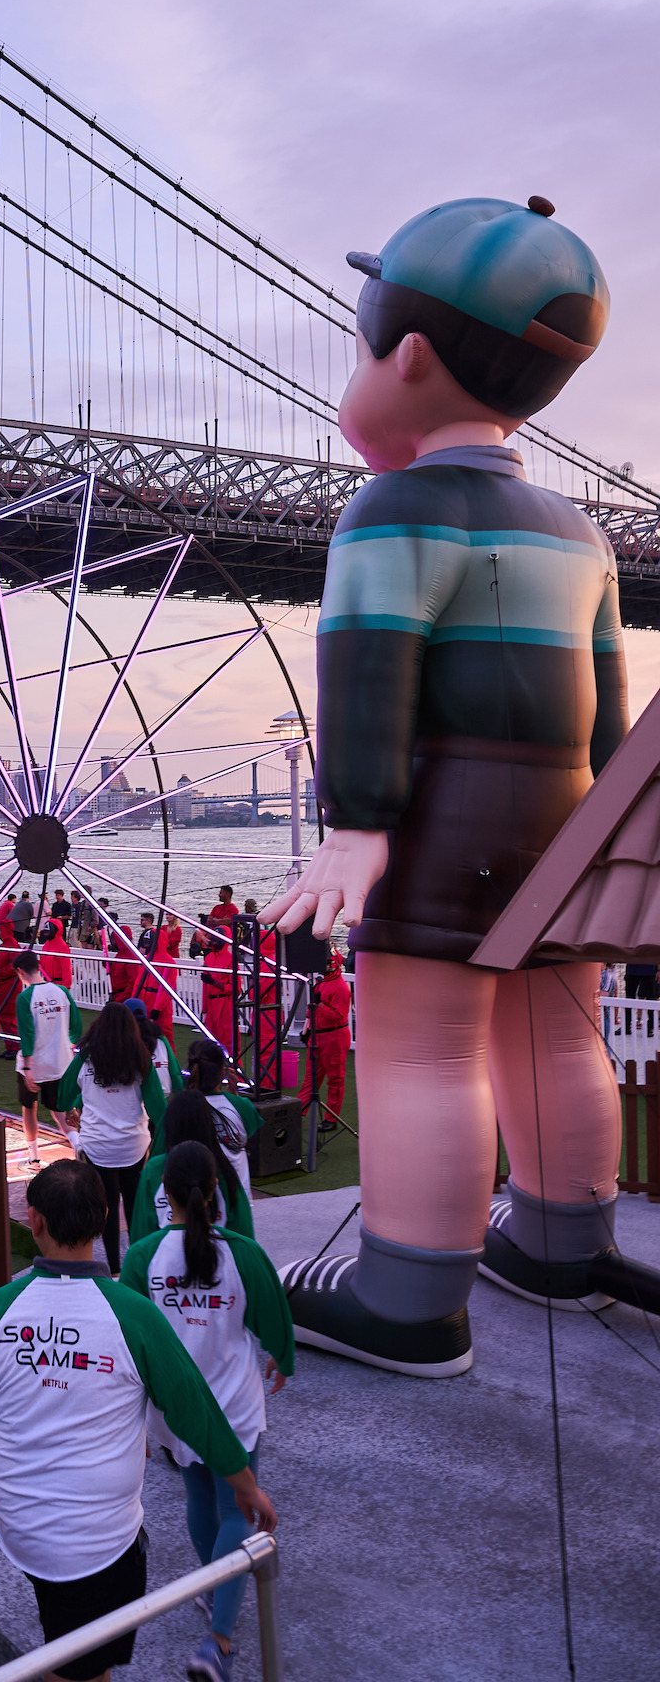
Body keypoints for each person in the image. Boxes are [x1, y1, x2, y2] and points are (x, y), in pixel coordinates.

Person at [266, 196, 630, 1373]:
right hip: (572, 824)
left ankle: (414, 1298)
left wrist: (358, 830)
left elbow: (371, 673)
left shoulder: (389, 512)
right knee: (562, 1032)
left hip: (443, 822)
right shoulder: (584, 533)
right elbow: (611, 712)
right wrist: (618, 852)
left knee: (422, 1050)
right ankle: (567, 1248)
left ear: (406, 357)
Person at [0, 1160, 275, 1682]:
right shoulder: (132, 1314)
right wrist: (243, 1482)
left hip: (19, 1524)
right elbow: (194, 1410)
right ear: (105, 1221)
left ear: (34, 1221)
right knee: (78, 1667)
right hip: (96, 1540)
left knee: (72, 1643)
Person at [121, 1143, 293, 1682]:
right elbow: (276, 1319)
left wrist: (136, 1416)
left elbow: (127, 1343)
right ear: (216, 1190)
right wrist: (282, 1359)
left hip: (172, 1414)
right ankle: (217, 1643)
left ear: (163, 1192)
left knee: (199, 1497)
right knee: (238, 1511)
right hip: (235, 1407)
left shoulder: (142, 1257)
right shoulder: (242, 1252)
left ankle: (213, 1588)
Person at [55, 1002, 166, 1275]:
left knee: (106, 1207)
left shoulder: (85, 1058)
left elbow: (61, 1097)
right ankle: (137, 1269)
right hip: (134, 1145)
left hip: (97, 1145)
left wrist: (77, 1105)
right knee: (133, 1205)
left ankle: (114, 1270)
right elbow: (159, 1111)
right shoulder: (141, 1058)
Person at [130, 1091, 256, 1241]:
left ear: (169, 1126)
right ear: (208, 1125)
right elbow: (244, 1238)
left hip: (163, 1261)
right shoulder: (223, 1170)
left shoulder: (154, 1170)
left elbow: (140, 1235)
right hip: (217, 1260)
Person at [154, 1040, 261, 1208]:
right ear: (222, 1071)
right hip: (234, 1202)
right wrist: (234, 1095)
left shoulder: (176, 1108)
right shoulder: (241, 1107)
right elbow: (250, 1130)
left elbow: (158, 1157)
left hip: (185, 1201)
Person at [15, 949, 83, 1165]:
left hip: (35, 1065)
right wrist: (68, 1046)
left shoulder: (25, 997)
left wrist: (26, 1069)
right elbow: (76, 1026)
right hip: (61, 1063)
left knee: (29, 1108)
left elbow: (27, 1035)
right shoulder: (62, 991)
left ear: (20, 971)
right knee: (61, 1110)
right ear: (39, 966)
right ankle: (78, 1144)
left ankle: (34, 1156)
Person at [299, 949, 351, 1127]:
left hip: (334, 1037)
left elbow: (339, 1016)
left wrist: (320, 1005)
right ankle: (300, 1110)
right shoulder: (322, 983)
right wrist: (306, 1029)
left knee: (335, 1079)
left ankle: (331, 1119)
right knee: (311, 1077)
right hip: (318, 1036)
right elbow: (312, 1007)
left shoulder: (341, 987)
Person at [200, 928, 235, 1049]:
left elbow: (235, 989)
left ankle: (232, 1067)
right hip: (210, 1006)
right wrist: (204, 1010)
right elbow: (205, 986)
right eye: (213, 937)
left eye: (218, 938)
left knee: (228, 1043)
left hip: (224, 1005)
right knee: (210, 1043)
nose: (214, 941)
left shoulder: (231, 959)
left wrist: (214, 982)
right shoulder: (208, 958)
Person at [0, 920, 22, 1059]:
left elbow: (15, 967)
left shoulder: (12, 945)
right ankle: (9, 1046)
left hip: (9, 984)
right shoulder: (5, 944)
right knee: (4, 1016)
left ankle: (15, 1047)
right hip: (2, 984)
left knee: (10, 1017)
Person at [38, 917, 74, 987]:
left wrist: (66, 986)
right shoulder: (46, 945)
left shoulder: (62, 946)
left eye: (48, 931)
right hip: (46, 983)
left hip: (59, 985)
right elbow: (44, 963)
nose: (46, 934)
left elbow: (66, 969)